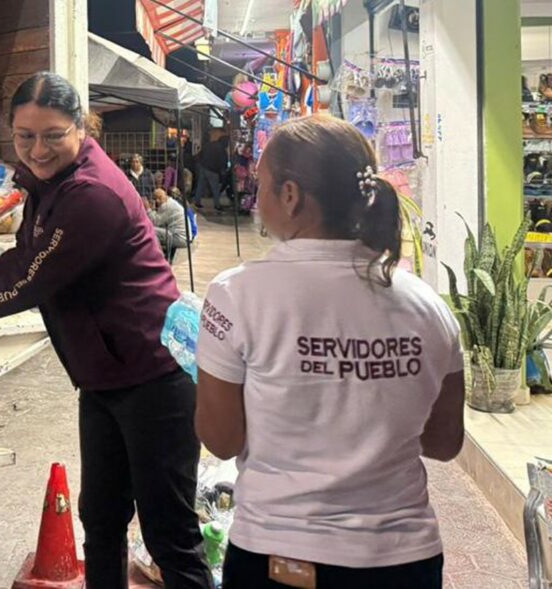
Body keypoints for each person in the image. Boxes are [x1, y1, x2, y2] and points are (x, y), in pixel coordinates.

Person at [0, 72, 212, 589]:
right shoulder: (49, 183)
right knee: (100, 518)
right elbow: (19, 257)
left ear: (81, 128)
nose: (37, 150)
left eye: (53, 135)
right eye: (25, 136)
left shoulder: (91, 195)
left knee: (169, 534)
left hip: (153, 376)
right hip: (103, 376)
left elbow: (26, 281)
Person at [194, 115, 464, 588]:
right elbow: (444, 442)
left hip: (281, 557)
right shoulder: (428, 306)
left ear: (290, 195)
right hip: (406, 561)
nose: (256, 198)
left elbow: (222, 440)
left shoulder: (237, 295)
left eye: (261, 185)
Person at [147, 187, 188, 261]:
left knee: (149, 229)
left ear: (158, 199)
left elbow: (155, 222)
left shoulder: (167, 206)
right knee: (156, 233)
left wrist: (148, 209)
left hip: (179, 238)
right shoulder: (171, 203)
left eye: (155, 199)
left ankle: (156, 257)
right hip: (182, 237)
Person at [195, 127, 229, 211]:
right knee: (215, 188)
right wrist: (223, 170)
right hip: (213, 170)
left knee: (200, 186)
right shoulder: (221, 149)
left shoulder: (209, 144)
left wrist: (201, 163)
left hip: (203, 167)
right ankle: (217, 205)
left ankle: (197, 202)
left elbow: (199, 155)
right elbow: (223, 161)